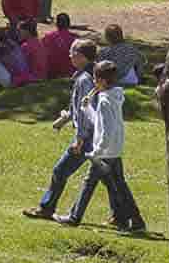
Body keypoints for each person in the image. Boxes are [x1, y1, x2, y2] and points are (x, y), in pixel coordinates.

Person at [56, 60, 144, 231]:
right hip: (114, 150)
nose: (94, 83)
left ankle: (74, 217)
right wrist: (87, 108)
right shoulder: (114, 96)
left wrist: (97, 151)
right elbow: (100, 123)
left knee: (89, 183)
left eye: (95, 80)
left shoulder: (104, 101)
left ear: (102, 81)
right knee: (119, 185)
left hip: (104, 152)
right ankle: (135, 220)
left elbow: (107, 130)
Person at [25, 38, 101, 220]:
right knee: (111, 179)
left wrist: (80, 138)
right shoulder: (94, 74)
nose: (70, 56)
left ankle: (47, 208)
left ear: (82, 57)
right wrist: (65, 118)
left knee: (60, 170)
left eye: (72, 53)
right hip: (101, 134)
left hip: (89, 136)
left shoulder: (84, 79)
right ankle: (124, 216)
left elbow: (85, 111)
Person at [40, 13, 78, 78]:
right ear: (69, 24)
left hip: (50, 72)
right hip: (68, 72)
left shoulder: (48, 37)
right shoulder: (74, 40)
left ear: (56, 24)